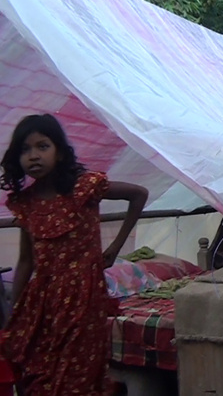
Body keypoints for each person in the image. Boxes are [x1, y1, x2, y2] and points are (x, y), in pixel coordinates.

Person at [0, 114, 148, 396]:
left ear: (59, 151)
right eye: (25, 149)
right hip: (43, 303)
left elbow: (139, 194)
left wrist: (115, 247)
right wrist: (16, 311)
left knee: (77, 375)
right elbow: (26, 261)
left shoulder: (84, 187)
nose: (33, 156)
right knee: (38, 373)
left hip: (83, 298)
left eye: (42, 146)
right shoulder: (26, 204)